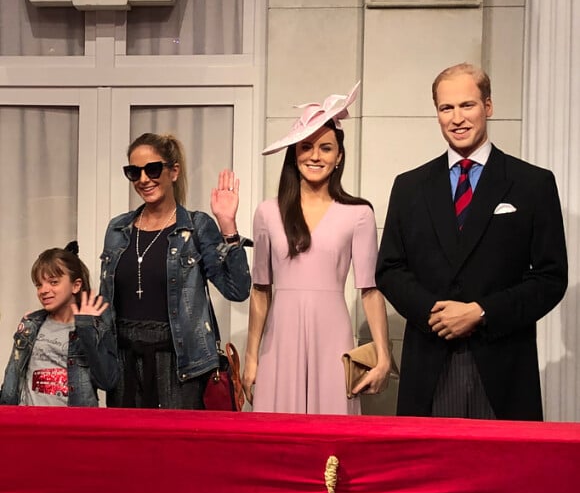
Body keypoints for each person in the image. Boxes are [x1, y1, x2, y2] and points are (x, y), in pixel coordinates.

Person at [375, 63, 568, 421]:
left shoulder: (533, 184)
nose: (457, 118)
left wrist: (481, 312)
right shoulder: (409, 186)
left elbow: (550, 277)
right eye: (446, 108)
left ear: (488, 107)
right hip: (430, 360)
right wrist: (434, 311)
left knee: (502, 474)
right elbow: (389, 269)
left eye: (467, 105)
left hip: (502, 363)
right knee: (431, 473)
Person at [243, 83, 392, 415]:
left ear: (339, 156)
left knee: (333, 433)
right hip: (279, 341)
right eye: (306, 146)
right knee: (277, 437)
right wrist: (251, 357)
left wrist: (384, 356)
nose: (315, 155)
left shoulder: (359, 214)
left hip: (333, 336)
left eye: (325, 148)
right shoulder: (268, 212)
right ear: (294, 155)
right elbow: (260, 290)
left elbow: (370, 290)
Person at [99, 132, 251, 409]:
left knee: (175, 450)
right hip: (124, 364)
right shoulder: (117, 229)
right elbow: (106, 302)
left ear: (174, 171)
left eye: (153, 168)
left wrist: (228, 227)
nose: (144, 179)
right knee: (126, 450)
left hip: (181, 365)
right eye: (134, 172)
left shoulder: (196, 227)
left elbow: (237, 290)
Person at [0, 242, 119, 407]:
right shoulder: (31, 325)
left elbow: (107, 381)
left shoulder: (94, 328)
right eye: (39, 285)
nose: (43, 290)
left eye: (53, 282)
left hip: (72, 426)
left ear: (76, 286)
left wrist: (86, 328)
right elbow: (12, 378)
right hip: (29, 424)